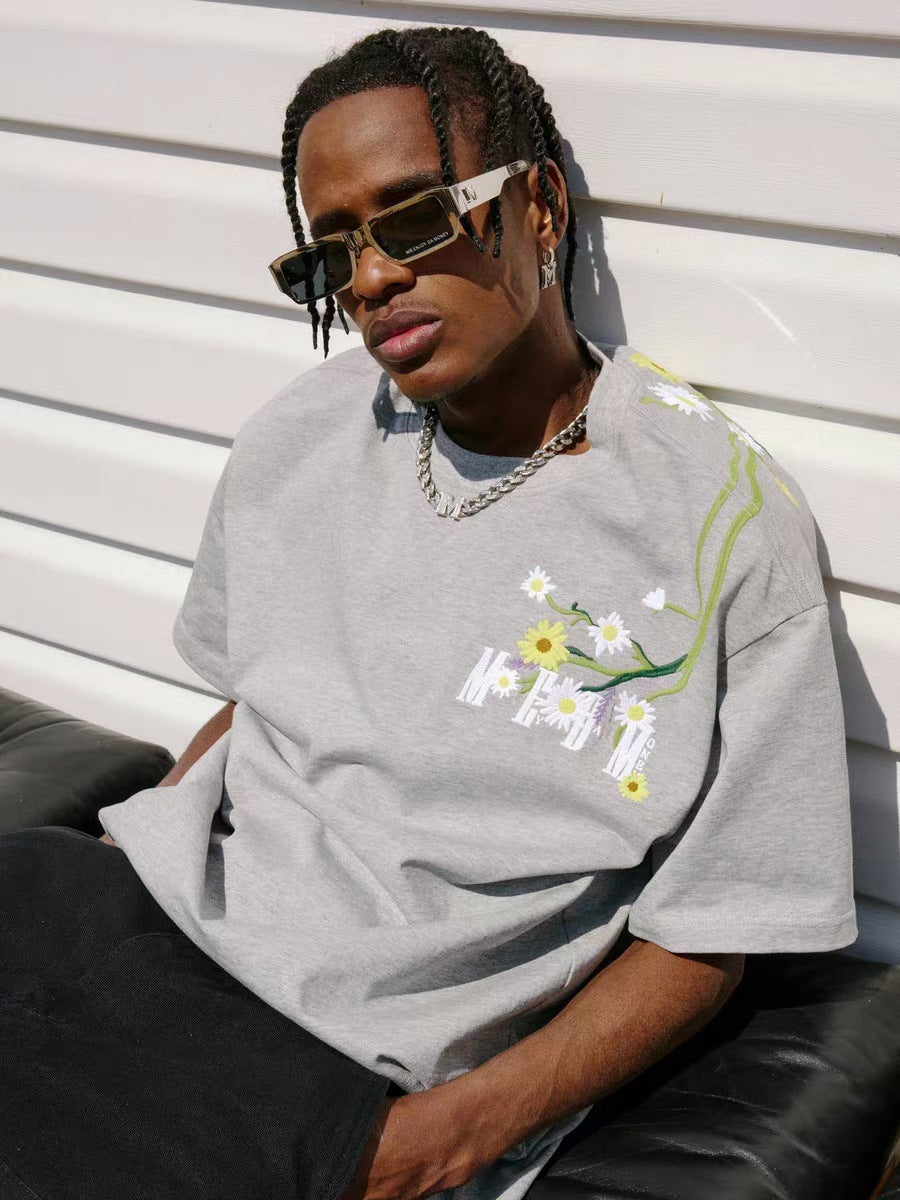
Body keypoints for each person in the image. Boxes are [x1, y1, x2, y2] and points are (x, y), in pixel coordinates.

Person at [1, 24, 856, 1200]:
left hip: (323, 1065)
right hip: (105, 918)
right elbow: (256, 704)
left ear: (538, 205)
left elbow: (716, 931)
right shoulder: (300, 435)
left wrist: (432, 1146)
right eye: (331, 253)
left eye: (413, 220)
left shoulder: (715, 524)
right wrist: (120, 855)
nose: (368, 281)